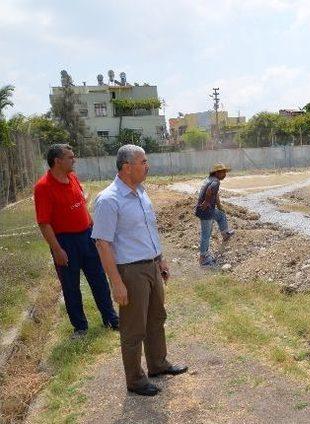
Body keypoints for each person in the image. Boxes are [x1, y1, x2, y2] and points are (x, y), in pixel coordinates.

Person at [92, 144, 187, 397]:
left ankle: (158, 364)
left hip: (152, 266)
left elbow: (149, 230)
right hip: (130, 271)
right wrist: (116, 282)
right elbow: (102, 244)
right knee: (134, 328)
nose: (148, 166)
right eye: (143, 162)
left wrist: (160, 259)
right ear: (127, 167)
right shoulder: (109, 200)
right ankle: (135, 380)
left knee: (157, 318)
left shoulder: (142, 193)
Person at [34, 144, 118, 339]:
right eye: (70, 157)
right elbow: (44, 223)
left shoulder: (72, 177)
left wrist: (95, 231)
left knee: (99, 279)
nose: (74, 160)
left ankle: (111, 319)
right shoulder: (43, 187)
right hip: (65, 242)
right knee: (71, 287)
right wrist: (57, 249)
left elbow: (81, 206)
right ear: (57, 161)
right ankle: (80, 328)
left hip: (87, 237)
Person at [195, 163, 234, 267]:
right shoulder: (216, 181)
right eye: (223, 172)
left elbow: (215, 194)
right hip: (206, 211)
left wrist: (219, 206)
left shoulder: (210, 179)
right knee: (206, 235)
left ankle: (225, 234)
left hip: (208, 210)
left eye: (225, 172)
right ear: (217, 173)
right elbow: (210, 190)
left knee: (221, 214)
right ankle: (203, 258)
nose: (225, 174)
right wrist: (207, 202)